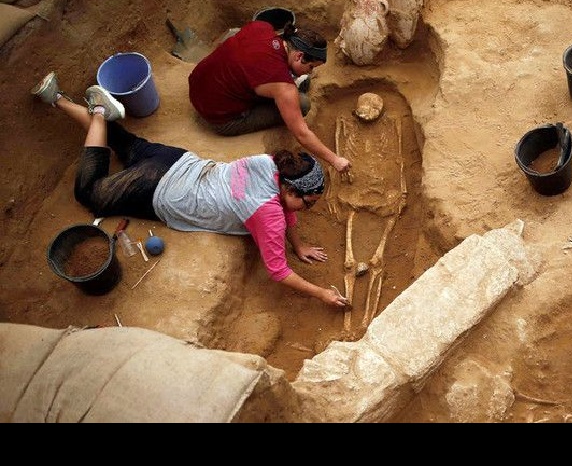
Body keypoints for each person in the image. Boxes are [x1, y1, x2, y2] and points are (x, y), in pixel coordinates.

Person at [31, 72, 351, 309]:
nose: (305, 209)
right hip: (157, 189)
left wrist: (299, 244)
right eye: (307, 203)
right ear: (290, 190)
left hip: (175, 159)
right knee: (90, 193)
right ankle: (100, 112)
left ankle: (56, 97)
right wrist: (322, 293)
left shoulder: (270, 163)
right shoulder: (266, 214)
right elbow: (278, 271)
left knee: (122, 141)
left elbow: (287, 211)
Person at [188, 19, 351, 175]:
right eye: (310, 67)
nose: (310, 72)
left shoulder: (262, 27)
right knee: (301, 103)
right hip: (220, 117)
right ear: (299, 56)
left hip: (197, 86)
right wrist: (335, 160)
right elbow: (301, 133)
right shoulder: (283, 87)